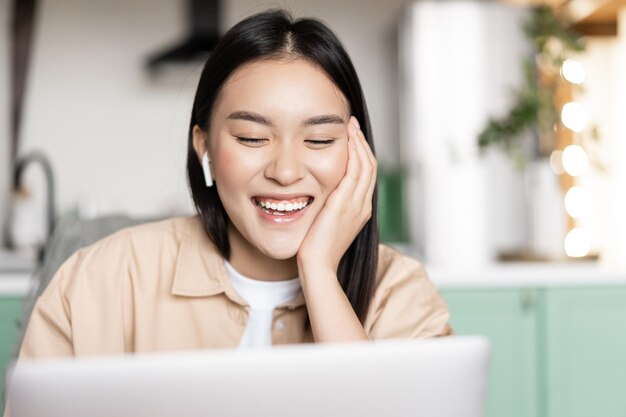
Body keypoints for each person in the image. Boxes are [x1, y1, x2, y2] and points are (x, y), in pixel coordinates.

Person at [15, 9, 452, 360]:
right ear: (203, 146)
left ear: (357, 150)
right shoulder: (99, 280)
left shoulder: (400, 293)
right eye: (251, 138)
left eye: (318, 140)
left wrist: (319, 272)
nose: (285, 171)